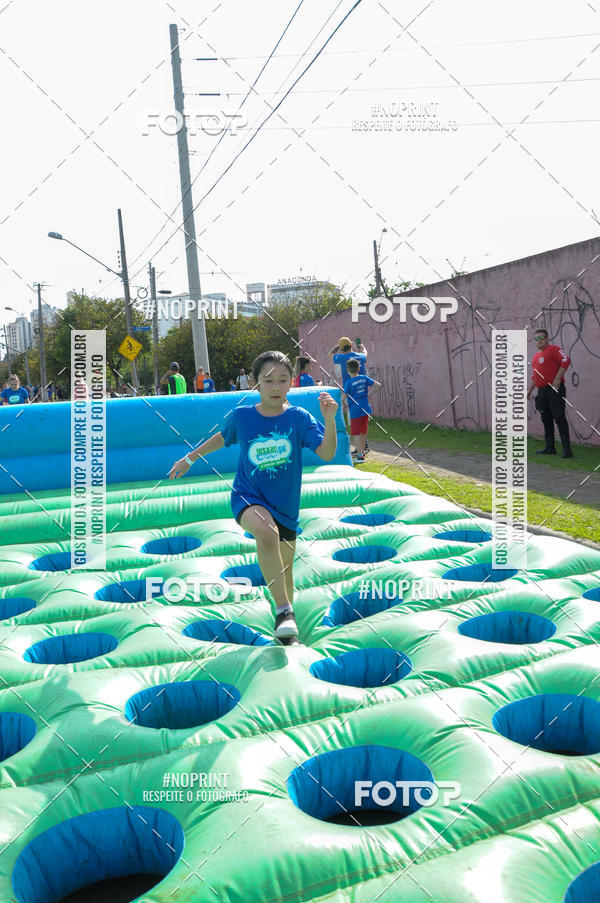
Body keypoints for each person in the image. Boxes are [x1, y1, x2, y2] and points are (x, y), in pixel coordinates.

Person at [169, 350, 338, 643]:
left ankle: (287, 627)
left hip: (285, 506)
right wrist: (190, 458)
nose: (275, 387)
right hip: (248, 497)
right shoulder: (243, 416)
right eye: (268, 380)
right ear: (255, 383)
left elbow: (326, 452)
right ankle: (284, 610)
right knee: (266, 532)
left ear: (291, 383)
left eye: (282, 380)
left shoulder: (299, 418)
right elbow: (221, 438)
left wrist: (330, 419)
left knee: (285, 572)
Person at [526, 328, 572, 458]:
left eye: (541, 338)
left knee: (559, 417)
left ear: (547, 339)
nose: (539, 341)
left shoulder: (554, 349)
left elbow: (566, 360)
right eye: (537, 338)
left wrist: (557, 378)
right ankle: (549, 447)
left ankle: (567, 450)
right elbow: (535, 377)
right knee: (546, 419)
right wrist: (529, 391)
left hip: (555, 389)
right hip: (542, 392)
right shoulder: (535, 357)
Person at [343, 359, 381, 463]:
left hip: (355, 410)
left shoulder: (349, 383)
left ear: (347, 370)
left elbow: (343, 397)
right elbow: (378, 385)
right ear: (358, 369)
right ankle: (362, 452)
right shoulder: (364, 378)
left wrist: (342, 405)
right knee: (363, 431)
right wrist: (369, 394)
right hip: (365, 407)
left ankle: (360, 456)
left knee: (356, 433)